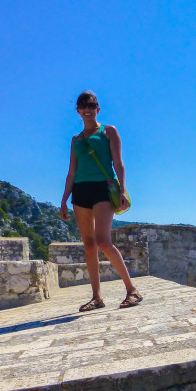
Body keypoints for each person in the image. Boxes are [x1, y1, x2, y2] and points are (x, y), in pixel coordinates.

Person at [60, 91, 142, 311]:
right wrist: (64, 199)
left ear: (98, 109)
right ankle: (96, 297)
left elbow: (119, 163)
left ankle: (132, 289)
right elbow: (71, 171)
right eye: (83, 106)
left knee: (103, 241)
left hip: (102, 189)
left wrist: (123, 190)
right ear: (78, 111)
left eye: (91, 105)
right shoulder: (76, 140)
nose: (87, 109)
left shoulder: (109, 131)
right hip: (80, 191)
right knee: (88, 245)